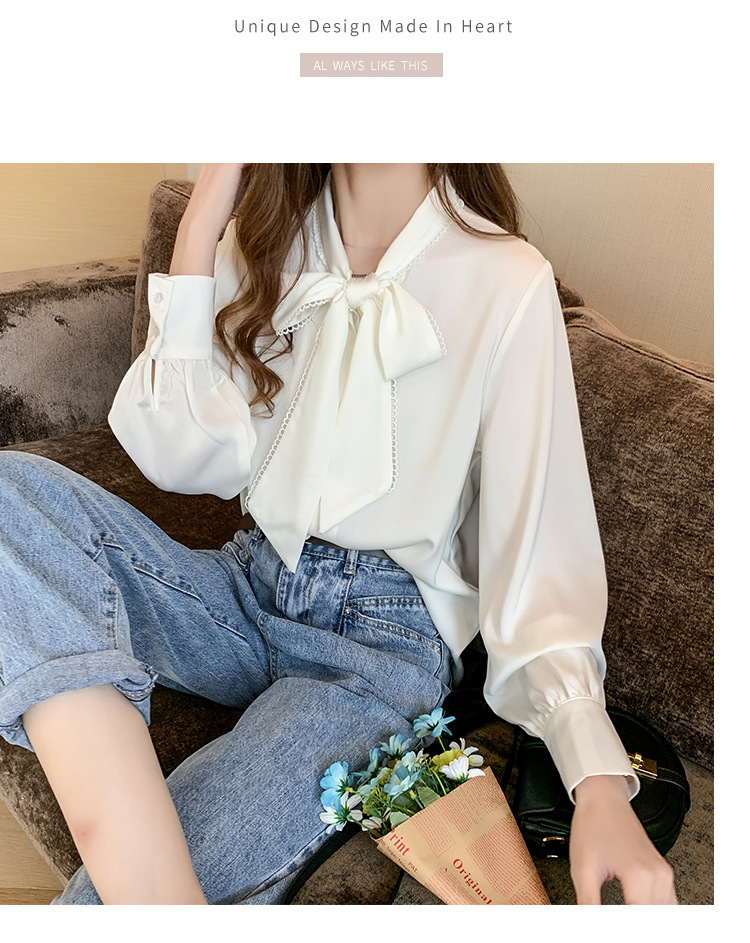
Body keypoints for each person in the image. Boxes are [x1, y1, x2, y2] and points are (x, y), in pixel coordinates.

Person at [0, 163, 676, 905]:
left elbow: (536, 542)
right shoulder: (263, 244)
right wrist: (201, 224)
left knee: (141, 884)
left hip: (381, 649)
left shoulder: (508, 280)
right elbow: (179, 455)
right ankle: (117, 828)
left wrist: (597, 776)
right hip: (248, 588)